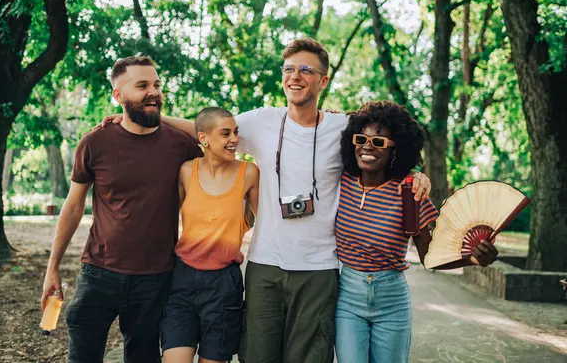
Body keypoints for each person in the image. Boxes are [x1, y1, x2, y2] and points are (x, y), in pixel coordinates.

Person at [101, 38, 432, 363]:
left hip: (318, 269)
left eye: (306, 69)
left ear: (323, 80)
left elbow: (381, 151)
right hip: (265, 265)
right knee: (257, 355)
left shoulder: (343, 128)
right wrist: (144, 120)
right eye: (289, 68)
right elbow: (208, 132)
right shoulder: (261, 120)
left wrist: (416, 175)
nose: (295, 76)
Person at [40, 56, 202, 363]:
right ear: (118, 95)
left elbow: (215, 134)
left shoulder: (181, 146)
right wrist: (53, 267)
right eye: (142, 86)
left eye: (156, 84)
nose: (153, 92)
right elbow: (73, 207)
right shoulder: (94, 143)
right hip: (99, 273)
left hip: (156, 278)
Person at [334, 100, 498, 363]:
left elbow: (428, 256)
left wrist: (473, 258)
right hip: (348, 298)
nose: (367, 146)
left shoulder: (410, 192)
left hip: (392, 301)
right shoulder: (340, 182)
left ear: (396, 149)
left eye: (379, 142)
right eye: (361, 138)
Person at [160, 107, 259, 363]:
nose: (234, 139)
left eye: (236, 133)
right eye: (225, 133)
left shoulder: (248, 173)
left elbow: (267, 221)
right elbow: (166, 221)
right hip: (182, 280)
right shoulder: (185, 171)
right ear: (203, 138)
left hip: (223, 285)